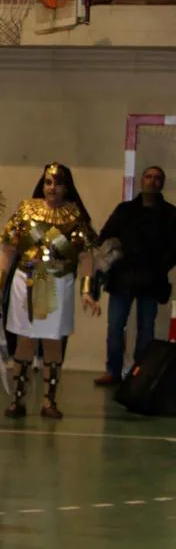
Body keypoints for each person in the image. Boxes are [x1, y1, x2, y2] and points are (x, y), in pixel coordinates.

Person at [0, 163, 99, 418]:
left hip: (58, 281)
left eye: (57, 183)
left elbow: (85, 256)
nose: (52, 187)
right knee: (24, 341)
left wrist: (86, 291)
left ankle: (49, 401)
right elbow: (8, 249)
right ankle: (18, 399)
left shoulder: (74, 215)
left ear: (67, 187)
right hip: (28, 279)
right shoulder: (27, 210)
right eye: (48, 182)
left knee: (52, 342)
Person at [93, 165, 176, 385]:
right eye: (148, 177)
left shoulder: (170, 214)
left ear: (162, 183)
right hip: (122, 276)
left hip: (151, 278)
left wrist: (160, 266)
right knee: (115, 325)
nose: (152, 181)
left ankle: (139, 374)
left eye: (157, 178)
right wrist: (115, 254)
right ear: (141, 180)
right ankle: (113, 370)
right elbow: (105, 236)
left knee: (146, 328)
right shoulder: (125, 210)